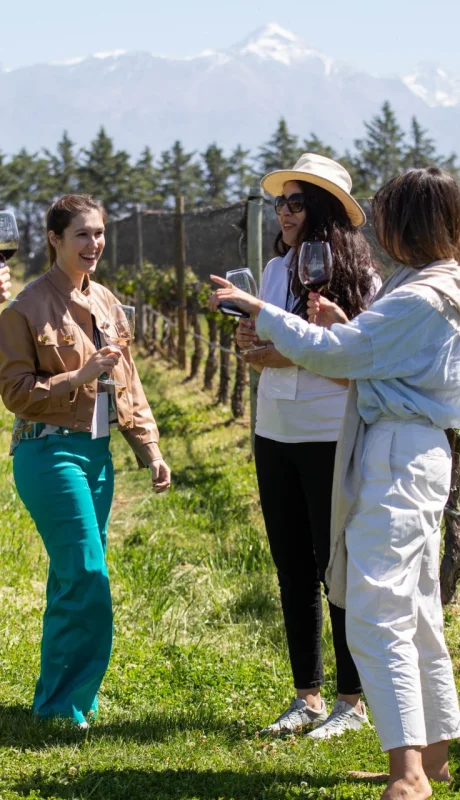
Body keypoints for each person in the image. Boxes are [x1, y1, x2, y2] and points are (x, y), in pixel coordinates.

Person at [210, 166, 460, 800]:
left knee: (376, 610)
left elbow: (337, 353)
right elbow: (362, 349)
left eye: (386, 215)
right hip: (413, 448)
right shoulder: (431, 284)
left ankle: (408, 776)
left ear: (409, 224)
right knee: (416, 609)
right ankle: (432, 759)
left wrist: (261, 311)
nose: (377, 227)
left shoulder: (417, 297)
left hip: (397, 451)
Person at [0, 194, 171, 729]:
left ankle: (62, 698)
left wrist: (149, 447)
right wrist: (78, 376)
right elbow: (14, 393)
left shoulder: (106, 302)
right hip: (47, 451)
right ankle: (65, 704)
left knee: (71, 577)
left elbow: (129, 383)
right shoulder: (24, 308)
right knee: (87, 575)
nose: (94, 243)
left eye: (99, 233)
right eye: (82, 234)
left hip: (96, 455)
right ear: (55, 239)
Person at [235, 153, 381, 738]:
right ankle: (307, 697)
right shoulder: (275, 270)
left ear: (322, 210)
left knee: (335, 568)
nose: (284, 212)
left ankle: (352, 701)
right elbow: (264, 351)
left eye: (296, 202)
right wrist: (251, 344)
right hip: (274, 430)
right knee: (291, 567)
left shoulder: (363, 281)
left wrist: (293, 350)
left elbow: (362, 368)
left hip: (328, 434)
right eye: (280, 202)